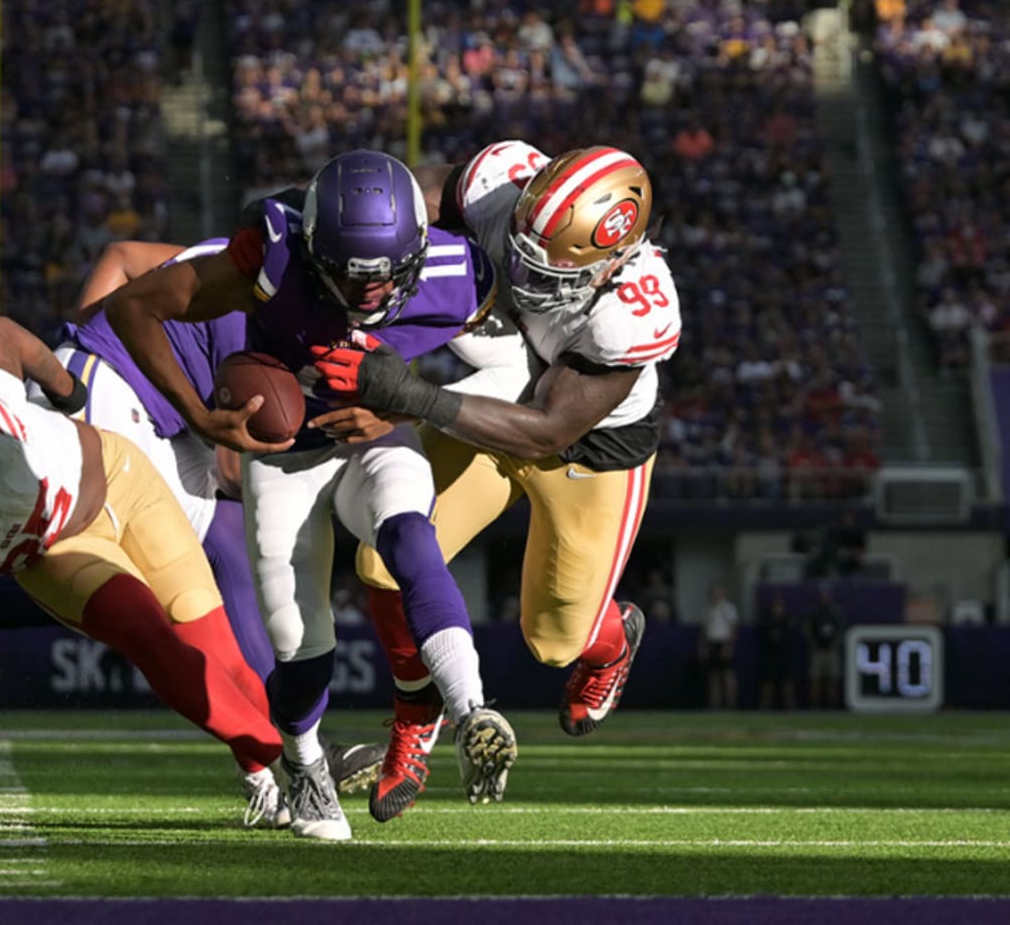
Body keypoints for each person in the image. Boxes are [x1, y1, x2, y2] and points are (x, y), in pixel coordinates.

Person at [104, 149, 517, 841]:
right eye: (349, 281)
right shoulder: (271, 255)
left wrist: (408, 406)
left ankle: (471, 707)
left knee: (411, 534)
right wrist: (202, 418)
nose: (368, 299)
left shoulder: (458, 274)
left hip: (373, 438)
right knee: (302, 647)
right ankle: (304, 762)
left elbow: (510, 373)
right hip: (285, 454)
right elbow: (134, 305)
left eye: (383, 281)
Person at [313, 142, 680, 820]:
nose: (519, 269)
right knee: (383, 562)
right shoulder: (498, 188)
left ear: (610, 259)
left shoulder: (633, 313)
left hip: (585, 452)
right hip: (500, 388)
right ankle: (413, 730)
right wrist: (320, 213)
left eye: (543, 266)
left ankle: (613, 636)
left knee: (554, 642)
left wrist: (410, 396)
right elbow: (401, 199)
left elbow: (546, 429)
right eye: (519, 243)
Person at [0, 315, 305, 833]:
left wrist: (67, 391)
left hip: (124, 479)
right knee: (150, 638)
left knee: (220, 650)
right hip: (59, 549)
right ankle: (296, 767)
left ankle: (264, 774)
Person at [53, 236, 384, 792]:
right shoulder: (274, 315)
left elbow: (119, 256)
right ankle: (278, 758)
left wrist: (82, 338)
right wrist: (94, 351)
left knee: (220, 551)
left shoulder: (241, 255)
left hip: (157, 419)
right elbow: (234, 471)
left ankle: (287, 749)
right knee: (115, 582)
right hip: (118, 399)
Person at [698, 581, 739, 709]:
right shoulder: (708, 609)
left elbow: (733, 628)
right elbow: (705, 629)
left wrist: (728, 646)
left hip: (723, 642)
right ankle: (715, 705)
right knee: (713, 676)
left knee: (727, 675)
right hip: (712, 643)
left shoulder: (729, 608)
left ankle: (731, 704)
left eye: (719, 591)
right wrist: (703, 646)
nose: (716, 593)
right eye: (714, 591)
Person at [806, 583, 846, 708]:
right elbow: (808, 630)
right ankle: (814, 706)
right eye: (822, 594)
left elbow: (841, 630)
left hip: (832, 651)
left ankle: (832, 705)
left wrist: (835, 644)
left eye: (826, 594)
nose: (824, 596)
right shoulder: (814, 612)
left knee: (833, 679)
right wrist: (814, 644)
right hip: (817, 651)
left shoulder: (835, 611)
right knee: (815, 679)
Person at [756, 594, 796, 710]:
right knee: (767, 681)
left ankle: (789, 704)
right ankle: (765, 704)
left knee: (787, 681)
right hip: (770, 656)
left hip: (784, 656)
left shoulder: (787, 621)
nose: (777, 609)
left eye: (779, 606)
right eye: (775, 606)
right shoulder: (767, 621)